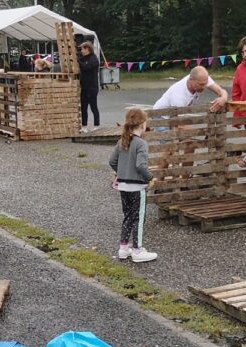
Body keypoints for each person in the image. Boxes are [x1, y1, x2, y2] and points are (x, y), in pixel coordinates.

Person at [109, 108, 157, 263]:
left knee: (128, 217)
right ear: (143, 125)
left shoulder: (122, 141)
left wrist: (121, 172)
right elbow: (141, 166)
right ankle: (137, 250)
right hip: (137, 188)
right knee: (139, 219)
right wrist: (150, 178)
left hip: (123, 186)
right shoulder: (141, 143)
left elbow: (112, 162)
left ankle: (123, 249)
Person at [153, 65, 227, 111]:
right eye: (201, 85)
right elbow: (180, 124)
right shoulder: (179, 94)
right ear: (191, 80)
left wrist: (223, 98)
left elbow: (220, 91)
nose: (204, 87)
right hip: (161, 115)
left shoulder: (203, 78)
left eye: (205, 84)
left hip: (176, 115)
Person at [78, 41, 100, 133]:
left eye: (82, 49)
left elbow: (86, 68)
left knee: (93, 106)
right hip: (84, 87)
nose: (81, 51)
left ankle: (96, 125)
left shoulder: (94, 59)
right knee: (83, 107)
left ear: (87, 49)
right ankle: (84, 126)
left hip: (92, 87)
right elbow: (81, 62)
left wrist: (78, 61)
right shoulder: (83, 58)